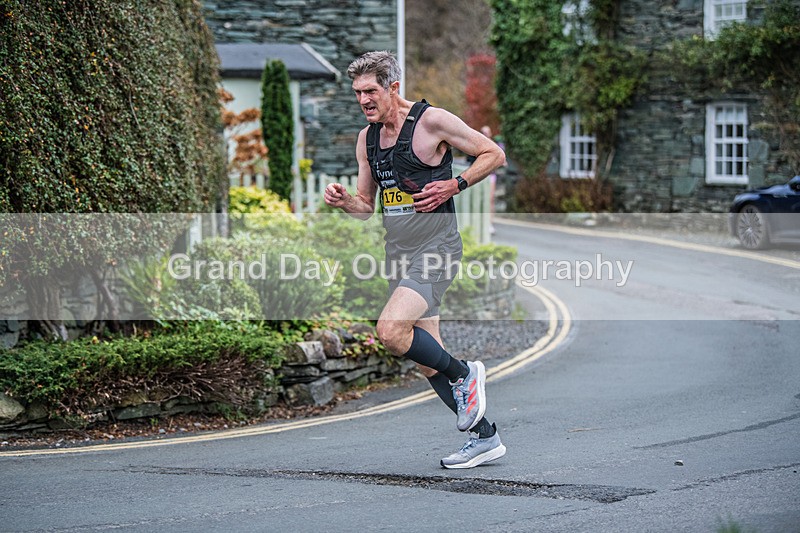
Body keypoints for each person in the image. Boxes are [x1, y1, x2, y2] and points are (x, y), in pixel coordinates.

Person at [324, 51, 507, 469]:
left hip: (437, 247)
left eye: (370, 91)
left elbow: (493, 154)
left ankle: (465, 375)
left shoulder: (432, 121)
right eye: (357, 94)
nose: (363, 100)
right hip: (398, 253)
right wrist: (344, 201)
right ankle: (485, 437)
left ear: (393, 88)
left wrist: (453, 185)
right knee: (427, 360)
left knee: (390, 330)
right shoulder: (366, 139)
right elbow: (366, 206)